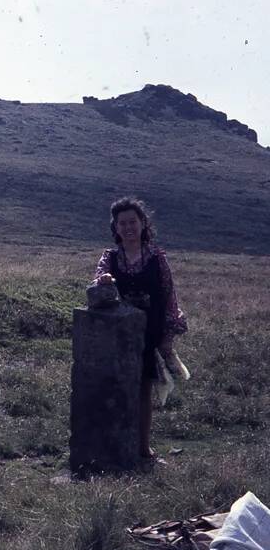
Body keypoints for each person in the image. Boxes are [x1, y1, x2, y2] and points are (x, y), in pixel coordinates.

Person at [93, 197, 188, 462]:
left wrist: (168, 335)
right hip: (118, 336)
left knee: (144, 389)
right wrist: (102, 281)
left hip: (148, 334)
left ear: (143, 223)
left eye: (132, 222)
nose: (128, 227)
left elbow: (170, 295)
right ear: (116, 227)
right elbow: (97, 283)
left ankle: (143, 448)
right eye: (122, 223)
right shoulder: (109, 258)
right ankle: (113, 442)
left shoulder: (158, 259)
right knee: (116, 387)